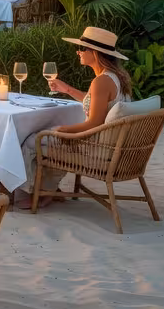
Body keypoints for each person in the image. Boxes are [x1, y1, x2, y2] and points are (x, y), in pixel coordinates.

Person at [14, 27, 132, 210]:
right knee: (49, 134)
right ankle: (48, 188)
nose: (78, 52)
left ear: (95, 53)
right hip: (111, 144)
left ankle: (33, 192)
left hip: (96, 149)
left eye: (82, 48)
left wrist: (64, 131)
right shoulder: (115, 77)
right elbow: (96, 102)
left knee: (32, 140)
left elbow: (94, 123)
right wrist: (67, 89)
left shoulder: (101, 81)